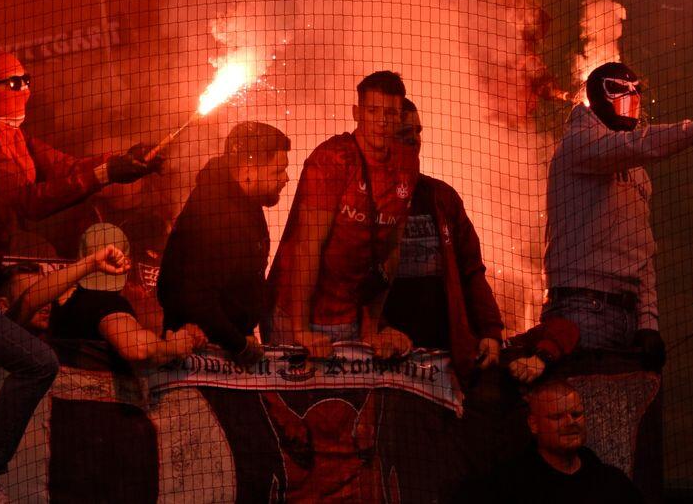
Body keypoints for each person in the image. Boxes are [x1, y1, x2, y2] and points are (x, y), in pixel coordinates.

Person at [0, 49, 162, 504]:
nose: (25, 89)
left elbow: (67, 167)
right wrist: (106, 173)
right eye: (12, 82)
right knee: (38, 362)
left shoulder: (12, 136)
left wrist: (124, 162)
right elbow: (28, 201)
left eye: (26, 79)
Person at [545, 61, 693, 368]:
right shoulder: (578, 143)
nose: (630, 100)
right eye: (620, 91)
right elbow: (641, 143)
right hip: (580, 307)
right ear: (599, 96)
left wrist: (648, 322)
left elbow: (643, 250)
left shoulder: (637, 171)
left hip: (627, 312)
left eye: (635, 94)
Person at [269, 70, 415, 360]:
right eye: (372, 111)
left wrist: (371, 327)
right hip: (299, 314)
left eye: (390, 113)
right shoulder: (332, 160)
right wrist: (301, 330)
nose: (382, 121)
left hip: (350, 318)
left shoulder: (406, 164)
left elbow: (391, 250)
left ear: (400, 117)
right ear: (356, 113)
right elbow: (308, 248)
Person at [381, 100, 503, 385]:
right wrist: (378, 328)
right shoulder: (362, 197)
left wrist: (490, 331)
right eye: (404, 133)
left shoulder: (441, 197)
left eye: (418, 131)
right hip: (383, 355)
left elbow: (472, 270)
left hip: (444, 353)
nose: (414, 139)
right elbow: (348, 281)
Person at [157, 120, 290, 365]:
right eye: (277, 171)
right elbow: (196, 297)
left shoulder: (243, 197)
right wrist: (239, 346)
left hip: (223, 346)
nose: (286, 178)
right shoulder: (219, 216)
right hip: (202, 356)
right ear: (248, 170)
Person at [24, 223, 205, 373]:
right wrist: (173, 347)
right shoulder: (107, 303)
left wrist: (184, 334)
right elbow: (136, 348)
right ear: (127, 260)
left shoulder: (62, 301)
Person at [459, 378, 644, 503]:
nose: (571, 422)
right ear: (534, 424)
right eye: (557, 417)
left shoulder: (610, 482)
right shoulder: (509, 484)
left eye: (576, 414)